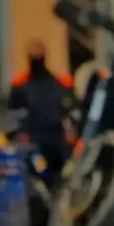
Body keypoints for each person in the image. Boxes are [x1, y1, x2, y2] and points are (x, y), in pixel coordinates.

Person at [8, 40, 75, 182]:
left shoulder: (59, 84)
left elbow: (68, 111)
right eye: (33, 57)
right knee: (40, 172)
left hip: (57, 142)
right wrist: (20, 133)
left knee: (61, 176)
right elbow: (14, 112)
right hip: (34, 142)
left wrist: (69, 131)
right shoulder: (20, 86)